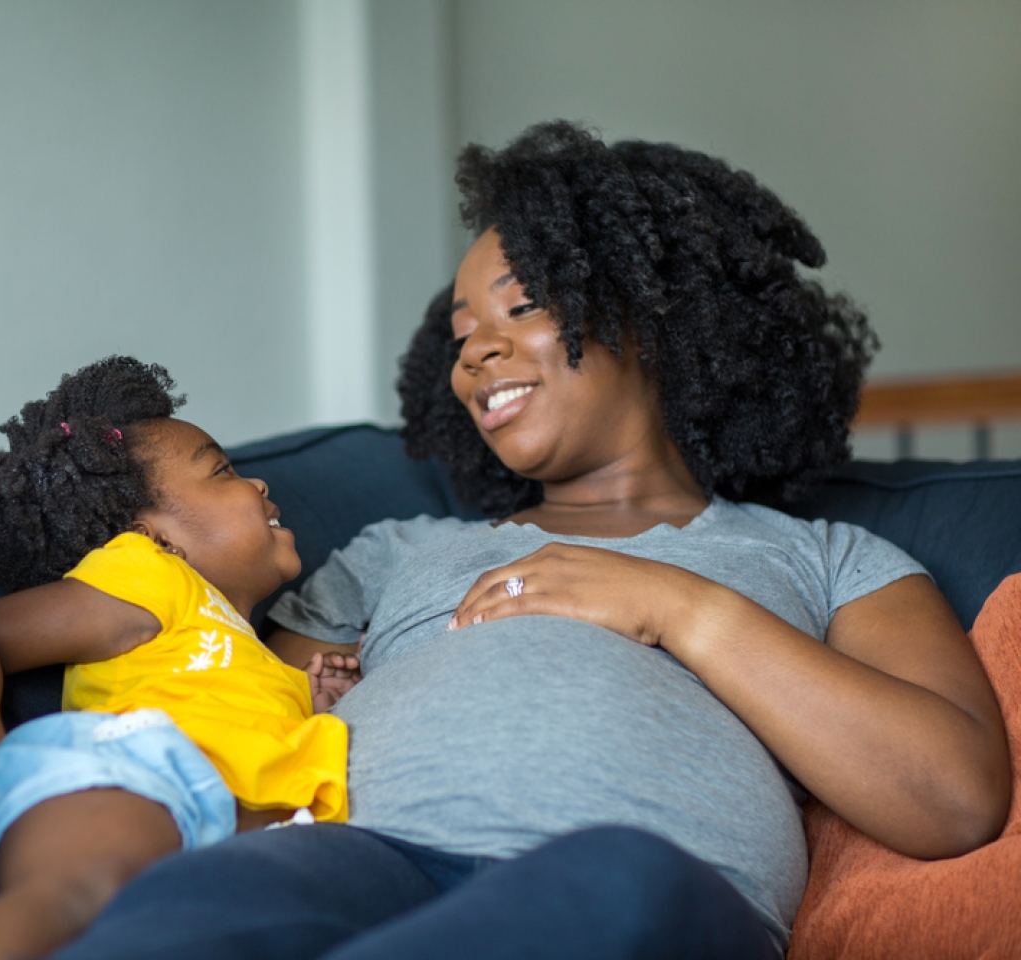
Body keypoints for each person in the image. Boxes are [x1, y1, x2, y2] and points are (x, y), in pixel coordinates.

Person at [54, 122, 1013, 960]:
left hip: (645, 878)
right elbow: (255, 688)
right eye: (463, 331)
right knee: (199, 904)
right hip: (365, 855)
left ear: (651, 314)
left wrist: (673, 605)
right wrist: (318, 680)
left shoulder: (830, 561)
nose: (475, 351)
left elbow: (953, 797)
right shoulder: (398, 549)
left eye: (521, 306)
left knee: (612, 883)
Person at [0, 357, 360, 960]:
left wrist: (314, 697)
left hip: (230, 834)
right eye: (223, 471)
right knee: (70, 900)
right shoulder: (150, 576)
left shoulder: (254, 653)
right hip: (138, 772)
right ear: (156, 536)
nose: (258, 486)